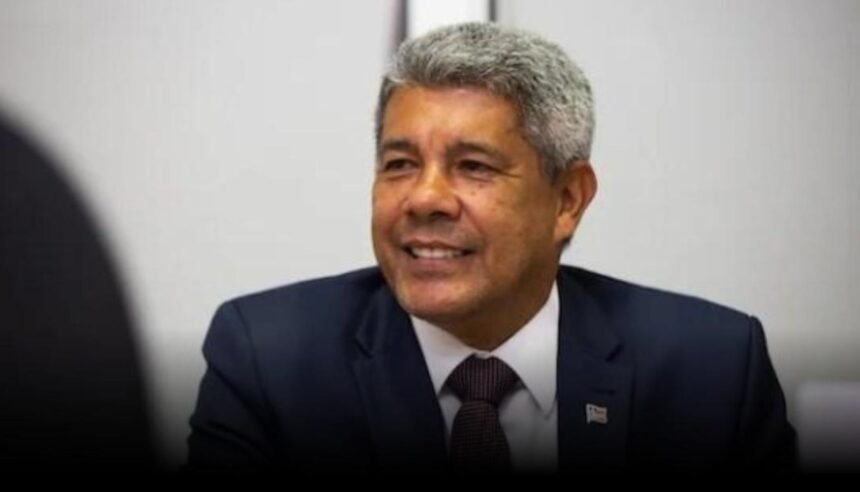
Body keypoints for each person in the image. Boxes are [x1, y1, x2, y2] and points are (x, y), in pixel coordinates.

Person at [187, 22, 795, 473]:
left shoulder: (712, 369)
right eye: (399, 164)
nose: (424, 198)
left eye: (473, 166)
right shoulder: (269, 359)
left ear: (568, 199)